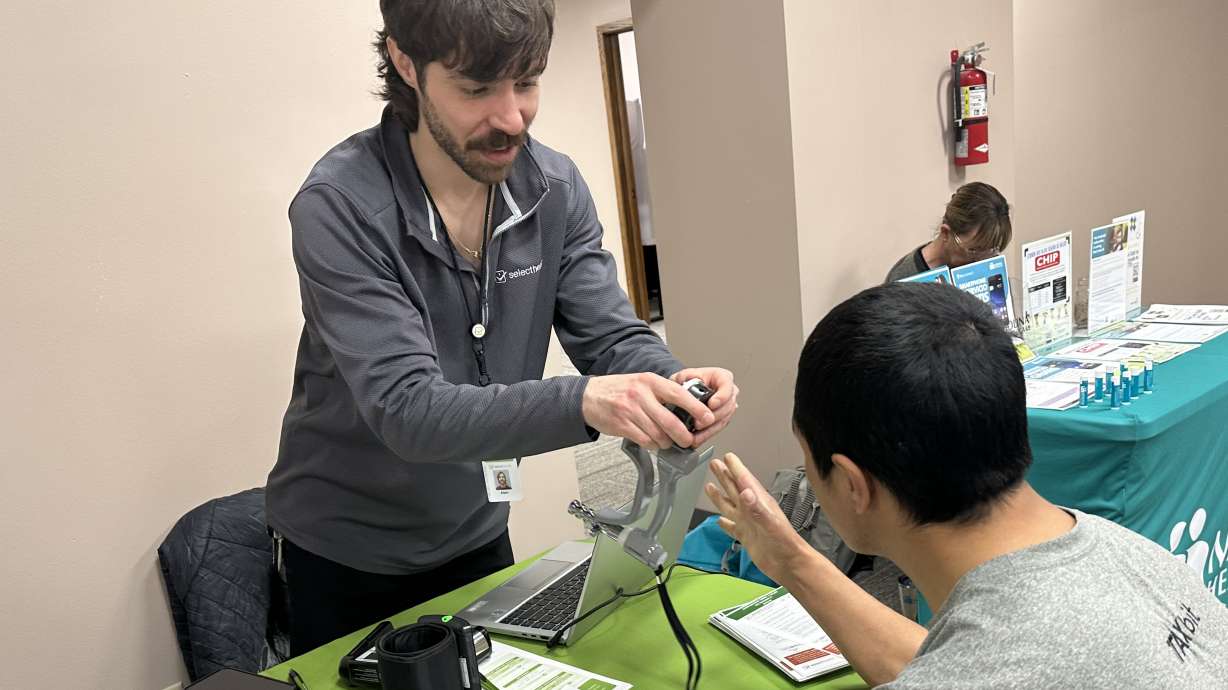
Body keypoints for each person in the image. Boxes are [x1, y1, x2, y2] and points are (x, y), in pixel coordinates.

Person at [266, 0, 738, 654]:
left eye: (528, 81)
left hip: (477, 530)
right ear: (406, 61)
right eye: (477, 88)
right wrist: (587, 401)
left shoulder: (555, 187)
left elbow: (610, 338)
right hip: (349, 557)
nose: (511, 117)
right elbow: (407, 409)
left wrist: (671, 382)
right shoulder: (340, 206)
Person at [705, 282, 1228, 688]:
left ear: (850, 482)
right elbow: (957, 661)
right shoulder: (1121, 552)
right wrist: (789, 558)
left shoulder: (985, 665)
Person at [884, 182, 1012, 282]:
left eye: (991, 251)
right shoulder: (905, 279)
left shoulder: (985, 262)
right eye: (974, 251)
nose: (980, 262)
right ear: (945, 233)